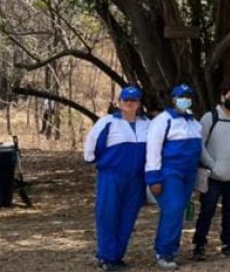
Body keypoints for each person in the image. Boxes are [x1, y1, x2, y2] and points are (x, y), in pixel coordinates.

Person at [83, 85, 149, 271]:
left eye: (133, 100)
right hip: (112, 176)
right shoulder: (108, 122)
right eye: (126, 100)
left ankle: (117, 255)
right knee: (107, 215)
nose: (129, 104)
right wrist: (94, 160)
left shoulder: (147, 124)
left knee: (128, 216)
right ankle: (106, 256)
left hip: (136, 178)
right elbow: (92, 143)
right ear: (119, 103)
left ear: (139, 104)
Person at [145, 84, 203, 269]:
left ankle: (171, 249)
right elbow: (153, 150)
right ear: (173, 99)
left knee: (179, 212)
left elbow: (200, 151)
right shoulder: (163, 120)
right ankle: (164, 252)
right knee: (173, 209)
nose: (185, 99)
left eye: (188, 96)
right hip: (170, 172)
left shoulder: (194, 123)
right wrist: (153, 178)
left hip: (189, 174)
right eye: (181, 96)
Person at [192, 86, 230, 260]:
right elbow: (201, 144)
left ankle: (227, 243)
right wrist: (212, 164)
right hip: (212, 176)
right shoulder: (210, 117)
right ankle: (199, 244)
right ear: (222, 97)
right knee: (207, 210)